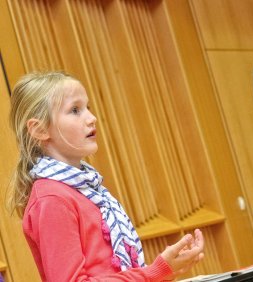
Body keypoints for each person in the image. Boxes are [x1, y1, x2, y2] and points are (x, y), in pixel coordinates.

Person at [8, 71, 205, 281]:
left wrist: (165, 270)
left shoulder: (90, 190)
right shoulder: (52, 199)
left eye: (88, 108)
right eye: (75, 110)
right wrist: (153, 272)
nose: (92, 118)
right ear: (39, 129)